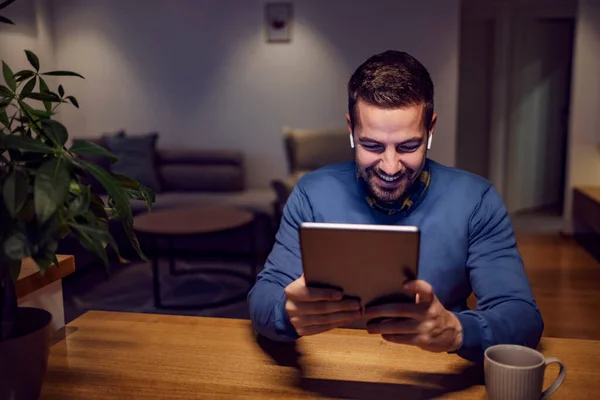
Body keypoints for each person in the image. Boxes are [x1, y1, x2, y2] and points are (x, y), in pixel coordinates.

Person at [247, 50, 543, 364]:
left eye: (408, 146)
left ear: (431, 129)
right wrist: (286, 313)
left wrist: (457, 331)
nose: (390, 166)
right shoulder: (312, 193)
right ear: (352, 130)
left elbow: (523, 319)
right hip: (334, 367)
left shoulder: (476, 200)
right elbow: (262, 299)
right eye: (372, 145)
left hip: (434, 371)